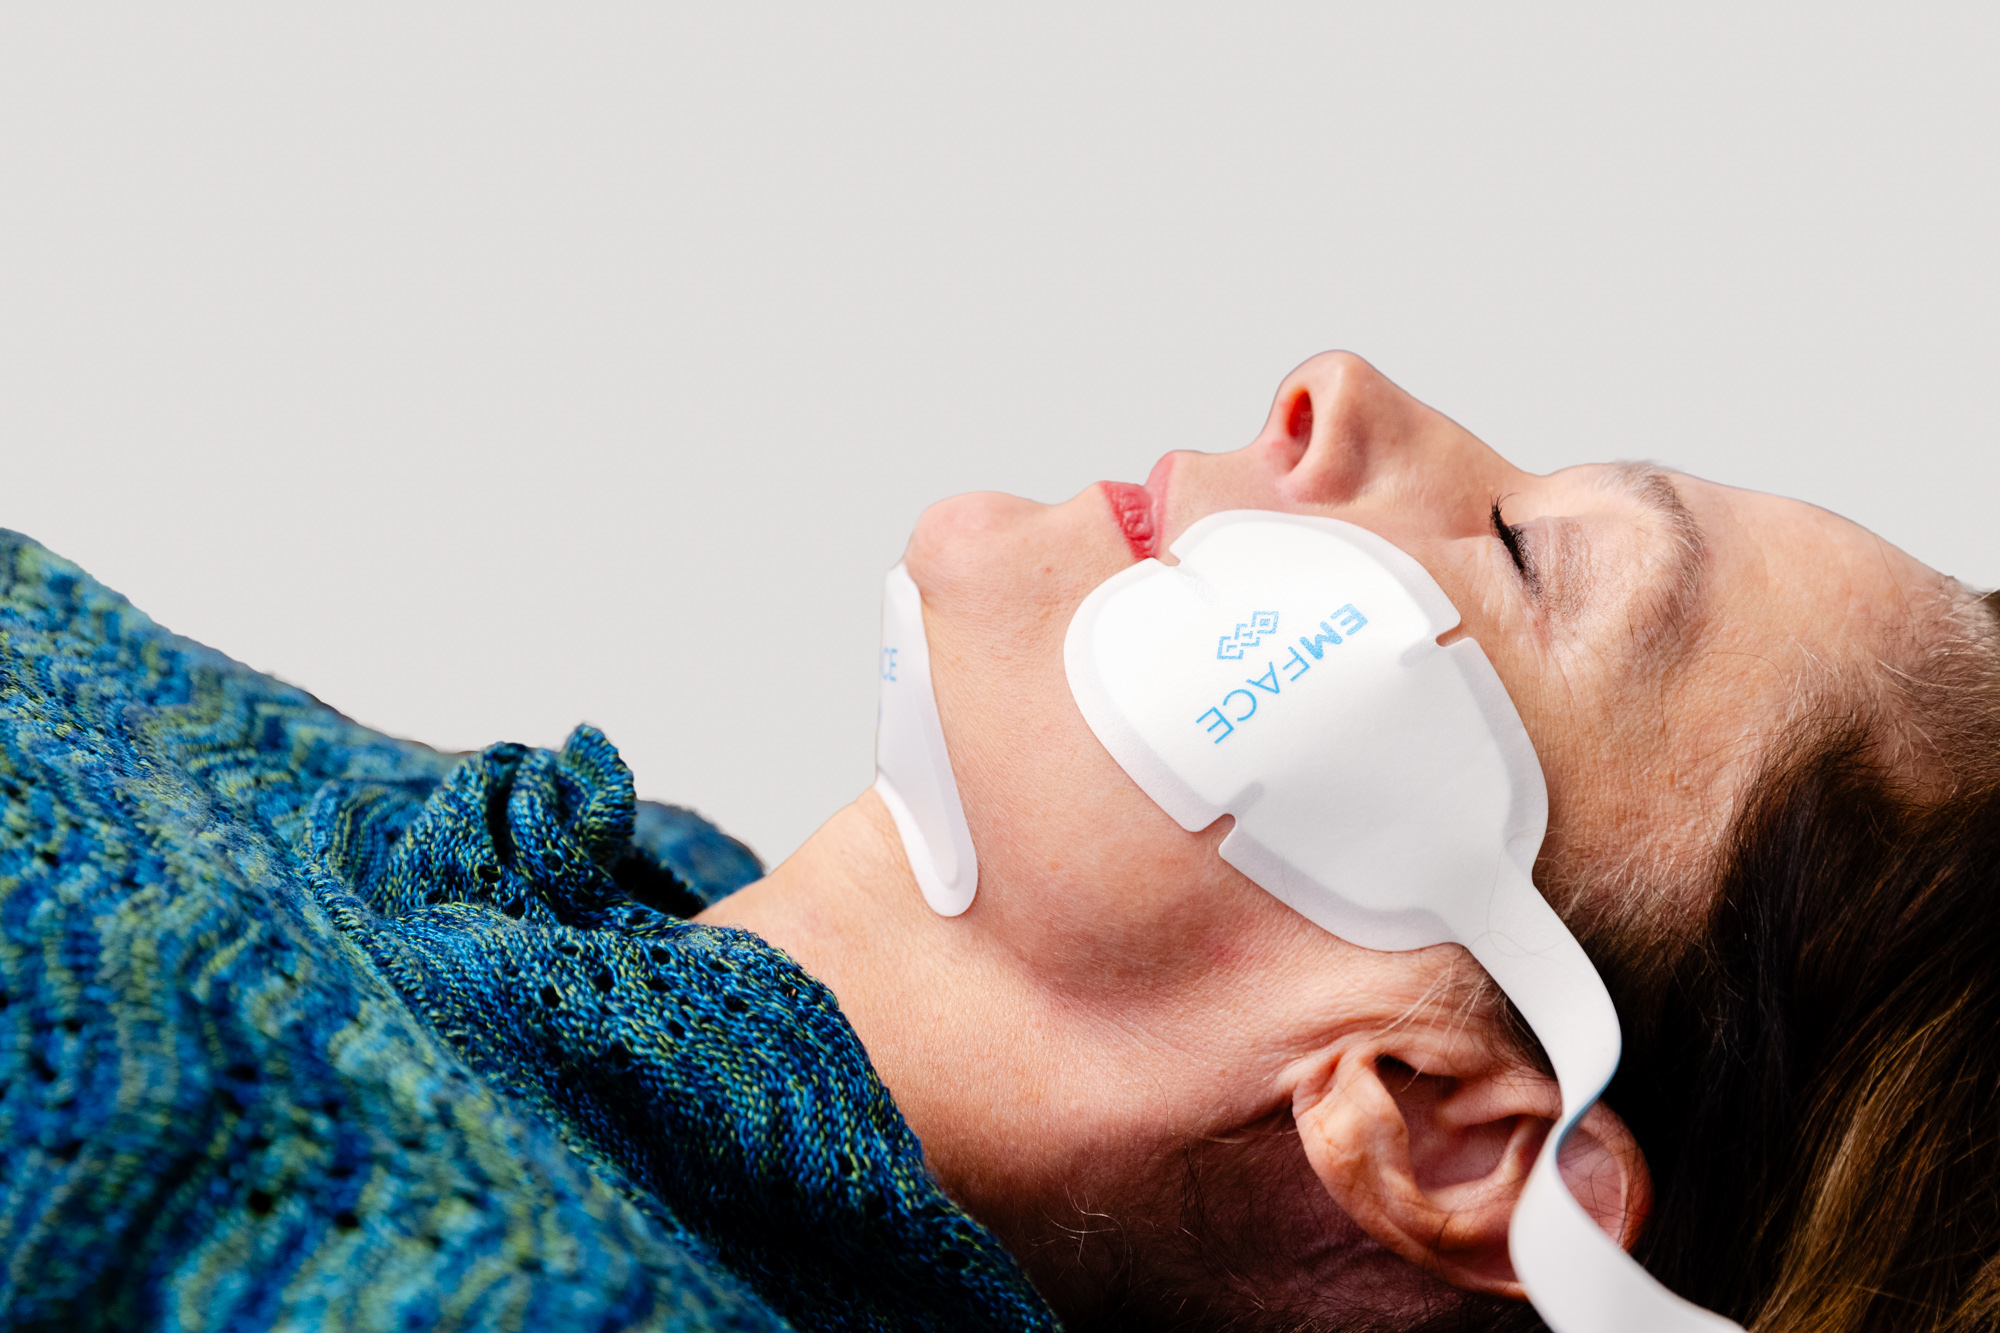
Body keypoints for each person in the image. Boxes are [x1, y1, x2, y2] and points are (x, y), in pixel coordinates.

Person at [0, 352, 1992, 1333]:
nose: (1343, 391)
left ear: (1443, 1126)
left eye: (1529, 553)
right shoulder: (597, 895)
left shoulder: (438, 1274)